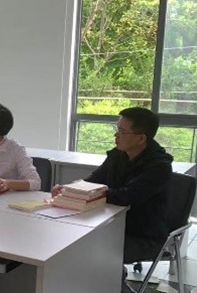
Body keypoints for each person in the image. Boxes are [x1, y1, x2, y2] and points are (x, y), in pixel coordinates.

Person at [51, 107, 173, 265]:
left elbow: (127, 196)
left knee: (87, 250)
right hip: (110, 224)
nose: (116, 136)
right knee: (68, 239)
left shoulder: (159, 166)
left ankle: (109, 280)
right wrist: (70, 189)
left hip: (141, 235)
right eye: (117, 130)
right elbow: (94, 180)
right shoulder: (118, 155)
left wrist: (89, 193)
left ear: (141, 138)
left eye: (122, 132)